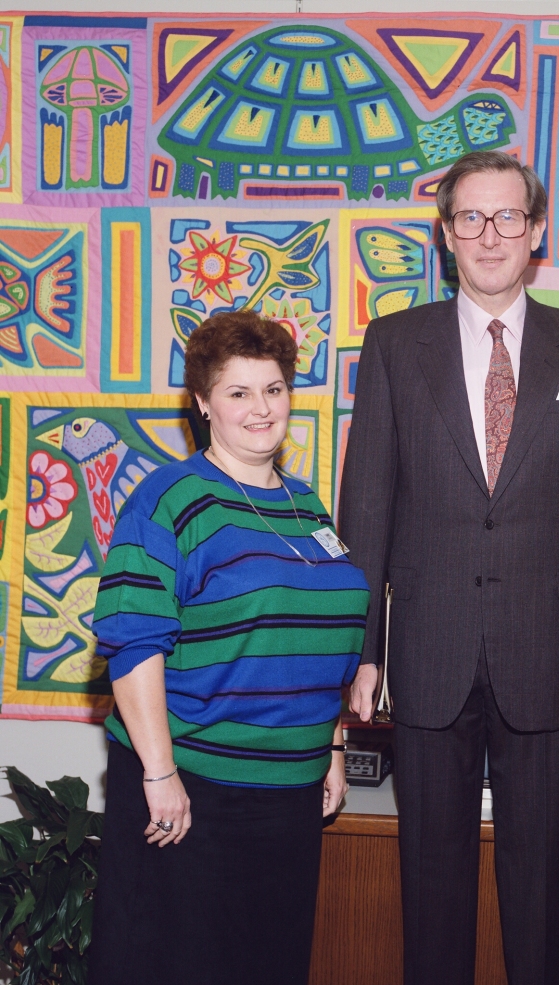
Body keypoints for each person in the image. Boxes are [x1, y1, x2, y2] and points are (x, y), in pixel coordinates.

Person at [340, 150, 559, 985]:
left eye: (509, 217)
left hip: (550, 664)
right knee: (430, 900)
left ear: (537, 231)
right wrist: (361, 651)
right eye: (470, 218)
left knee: (540, 900)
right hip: (427, 662)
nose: (490, 234)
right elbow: (367, 507)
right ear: (445, 237)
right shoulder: (396, 344)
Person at [87, 311, 369, 985]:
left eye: (272, 389)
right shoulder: (168, 500)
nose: (260, 408)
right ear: (203, 403)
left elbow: (322, 647)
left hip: (290, 799)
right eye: (238, 391)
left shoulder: (309, 509)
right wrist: (160, 774)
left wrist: (329, 749)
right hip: (191, 793)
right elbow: (131, 644)